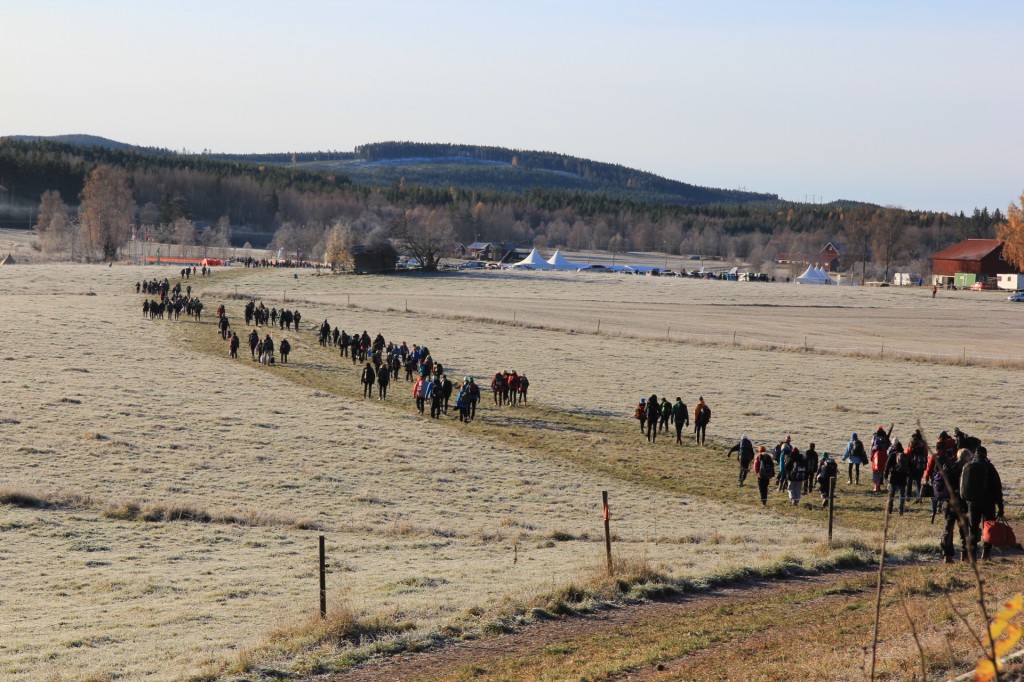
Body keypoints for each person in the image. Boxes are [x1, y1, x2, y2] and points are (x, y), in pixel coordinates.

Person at [960, 445, 1004, 561]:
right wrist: (1000, 506)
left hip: (972, 503)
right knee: (988, 528)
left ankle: (972, 556)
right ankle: (985, 554)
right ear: (985, 454)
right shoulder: (989, 467)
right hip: (988, 503)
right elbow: (997, 488)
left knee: (973, 528)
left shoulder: (968, 466)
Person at [940, 448, 972, 563]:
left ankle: (947, 556)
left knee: (948, 529)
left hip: (948, 503)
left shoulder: (950, 467)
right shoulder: (967, 469)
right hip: (962, 503)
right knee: (965, 530)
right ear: (967, 457)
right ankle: (965, 555)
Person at [884, 443, 912, 516]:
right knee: (901, 495)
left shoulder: (892, 455)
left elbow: (887, 466)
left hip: (894, 477)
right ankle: (901, 510)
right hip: (903, 477)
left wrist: (885, 476)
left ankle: (890, 509)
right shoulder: (905, 456)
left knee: (891, 494)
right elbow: (911, 467)